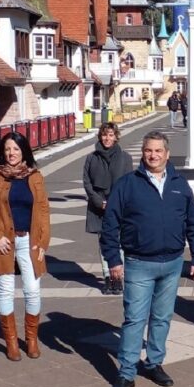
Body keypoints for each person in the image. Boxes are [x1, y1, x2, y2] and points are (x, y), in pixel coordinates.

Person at [101, 131, 194, 387]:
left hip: (172, 263)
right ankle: (126, 373)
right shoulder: (127, 184)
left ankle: (155, 362)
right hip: (138, 263)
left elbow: (193, 222)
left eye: (159, 151)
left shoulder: (179, 184)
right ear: (143, 153)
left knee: (162, 317)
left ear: (167, 154)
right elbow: (110, 224)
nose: (153, 155)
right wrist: (114, 259)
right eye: (149, 150)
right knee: (135, 320)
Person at [0, 132, 50, 361]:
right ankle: (11, 343)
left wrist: (43, 241)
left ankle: (32, 339)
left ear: (24, 150)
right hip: (3, 242)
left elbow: (44, 210)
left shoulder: (35, 176)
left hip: (29, 240)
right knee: (6, 290)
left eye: (16, 149)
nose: (11, 153)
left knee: (32, 290)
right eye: (7, 149)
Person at [83, 123, 133, 294]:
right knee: (103, 241)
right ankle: (107, 276)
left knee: (119, 241)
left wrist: (114, 203)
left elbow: (128, 183)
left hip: (119, 206)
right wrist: (98, 201)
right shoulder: (91, 158)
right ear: (100, 136)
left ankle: (118, 276)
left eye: (111, 135)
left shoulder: (125, 157)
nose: (107, 138)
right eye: (105, 135)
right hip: (98, 206)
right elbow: (87, 182)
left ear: (116, 137)